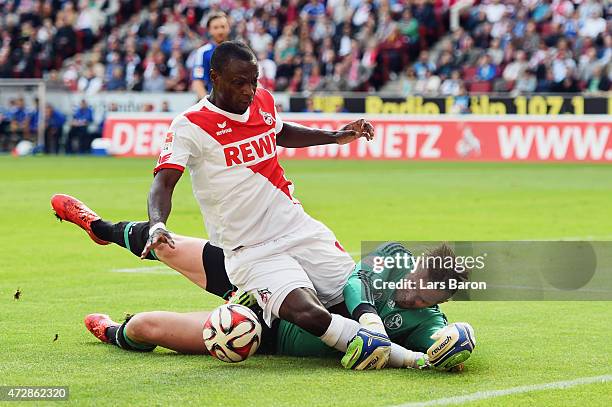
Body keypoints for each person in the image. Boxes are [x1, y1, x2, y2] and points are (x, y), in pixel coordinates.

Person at [145, 41, 388, 370]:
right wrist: (158, 224)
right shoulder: (190, 125)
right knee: (309, 313)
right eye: (239, 82)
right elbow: (163, 182)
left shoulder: (262, 101)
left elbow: (280, 132)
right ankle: (401, 357)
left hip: (297, 227)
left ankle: (376, 337)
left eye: (254, 81)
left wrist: (335, 136)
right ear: (215, 77)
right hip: (252, 249)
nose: (249, 90)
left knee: (354, 289)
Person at [51, 194, 475, 371]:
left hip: (264, 330)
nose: (413, 292)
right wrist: (373, 328)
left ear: (444, 299)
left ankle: (114, 332)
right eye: (417, 281)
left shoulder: (426, 323)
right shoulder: (396, 256)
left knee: (147, 326)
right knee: (167, 245)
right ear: (417, 263)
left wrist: (447, 348)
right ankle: (99, 226)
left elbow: (443, 344)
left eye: (424, 295)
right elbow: (355, 284)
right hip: (273, 274)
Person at [191, 12, 230, 99]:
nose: (220, 31)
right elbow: (198, 82)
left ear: (228, 28)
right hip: (215, 102)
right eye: (216, 27)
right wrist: (208, 104)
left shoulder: (239, 50)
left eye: (223, 27)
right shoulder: (202, 52)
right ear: (209, 30)